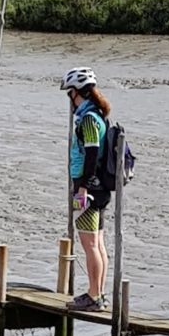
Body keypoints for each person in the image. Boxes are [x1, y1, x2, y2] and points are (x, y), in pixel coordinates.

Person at [61, 66, 111, 312]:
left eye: (69, 93)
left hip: (88, 189)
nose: (69, 100)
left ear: (75, 93)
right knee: (98, 242)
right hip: (97, 189)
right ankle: (98, 293)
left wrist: (81, 188)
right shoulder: (96, 115)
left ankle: (94, 295)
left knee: (90, 243)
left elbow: (91, 155)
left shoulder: (89, 119)